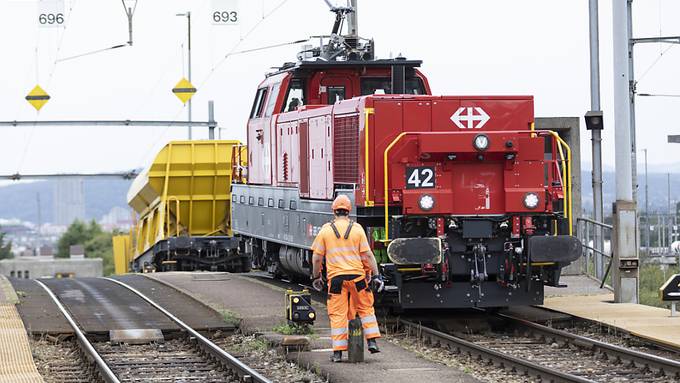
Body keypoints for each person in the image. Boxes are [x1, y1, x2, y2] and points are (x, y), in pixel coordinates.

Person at [311, 195, 385, 363]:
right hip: (357, 277)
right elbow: (367, 255)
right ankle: (372, 341)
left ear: (334, 211)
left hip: (336, 279)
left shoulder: (326, 230)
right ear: (349, 211)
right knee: (366, 308)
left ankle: (337, 353)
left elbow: (316, 258)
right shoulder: (357, 229)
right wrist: (376, 275)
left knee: (338, 314)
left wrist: (317, 276)